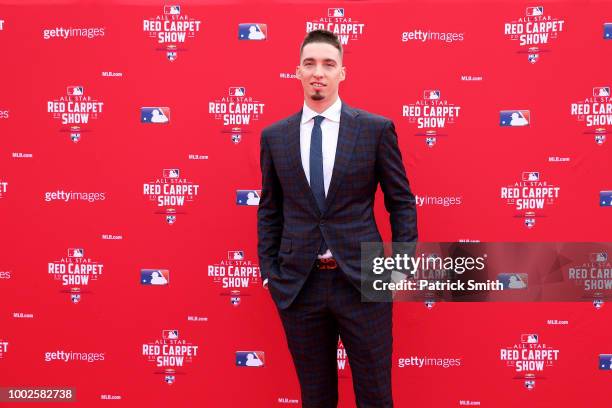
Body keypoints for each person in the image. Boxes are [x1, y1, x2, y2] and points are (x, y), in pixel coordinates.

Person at [257, 29, 417, 407]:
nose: (319, 72)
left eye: (328, 64)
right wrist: (269, 270)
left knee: (376, 395)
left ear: (342, 72)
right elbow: (270, 208)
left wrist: (402, 263)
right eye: (310, 63)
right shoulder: (274, 137)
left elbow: (401, 201)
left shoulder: (374, 129)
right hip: (299, 283)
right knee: (316, 396)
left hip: (366, 279)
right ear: (297, 71)